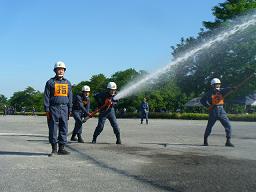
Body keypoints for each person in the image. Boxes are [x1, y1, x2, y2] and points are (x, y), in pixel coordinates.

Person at [44, 61, 73, 156]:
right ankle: (54, 149)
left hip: (64, 108)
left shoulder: (68, 83)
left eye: (62, 69)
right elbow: (46, 96)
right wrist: (47, 109)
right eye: (58, 69)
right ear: (55, 71)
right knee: (53, 128)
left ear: (64, 71)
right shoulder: (50, 82)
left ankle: (62, 148)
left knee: (64, 128)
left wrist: (70, 109)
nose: (60, 71)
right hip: (53, 108)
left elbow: (70, 97)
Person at [200, 78, 234, 147]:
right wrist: (208, 106)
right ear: (213, 85)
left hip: (222, 110)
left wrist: (231, 88)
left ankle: (228, 141)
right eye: (216, 85)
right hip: (213, 111)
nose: (218, 86)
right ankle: (205, 140)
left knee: (228, 125)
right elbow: (202, 100)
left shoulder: (221, 91)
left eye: (219, 84)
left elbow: (225, 89)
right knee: (209, 127)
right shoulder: (209, 93)